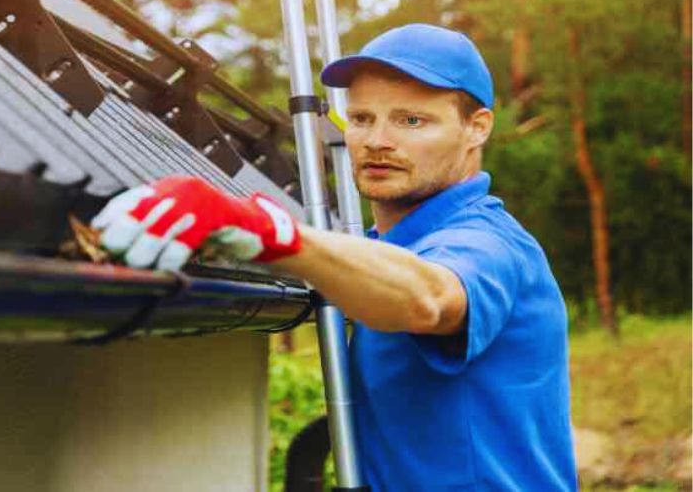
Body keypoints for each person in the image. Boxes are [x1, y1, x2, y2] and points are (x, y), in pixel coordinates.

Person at [91, 24, 578, 491]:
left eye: (412, 120)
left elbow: (429, 298)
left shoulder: (487, 243)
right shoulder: (385, 248)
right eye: (362, 118)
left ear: (477, 129)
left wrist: (272, 233)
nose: (377, 140)